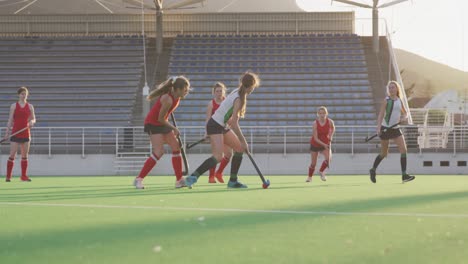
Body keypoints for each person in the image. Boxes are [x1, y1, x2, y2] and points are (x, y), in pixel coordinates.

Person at [184, 72, 260, 189]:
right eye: (253, 87)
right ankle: (193, 177)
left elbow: (228, 113)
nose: (253, 89)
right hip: (214, 125)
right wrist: (244, 140)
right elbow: (234, 123)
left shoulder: (237, 92)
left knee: (239, 149)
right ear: (251, 86)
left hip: (222, 125)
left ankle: (233, 181)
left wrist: (229, 119)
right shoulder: (239, 98)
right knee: (218, 156)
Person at [133, 76, 191, 189]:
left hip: (162, 123)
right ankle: (138, 179)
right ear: (177, 89)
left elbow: (164, 116)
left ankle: (179, 180)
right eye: (185, 89)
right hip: (153, 123)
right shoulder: (168, 99)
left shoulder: (176, 98)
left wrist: (170, 127)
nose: (187, 92)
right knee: (159, 152)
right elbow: (160, 119)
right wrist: (174, 128)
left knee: (176, 147)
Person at [369, 81, 415, 183]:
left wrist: (404, 117)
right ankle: (373, 170)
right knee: (384, 153)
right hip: (385, 128)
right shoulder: (386, 100)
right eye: (389, 88)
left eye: (393, 87)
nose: (391, 89)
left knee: (403, 150)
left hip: (396, 129)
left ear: (397, 89)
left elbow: (405, 113)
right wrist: (378, 128)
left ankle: (404, 175)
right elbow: (381, 115)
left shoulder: (400, 101)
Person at [4, 86, 36, 182]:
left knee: (24, 156)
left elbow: (34, 118)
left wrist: (32, 122)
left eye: (25, 94)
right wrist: (7, 133)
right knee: (12, 155)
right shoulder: (14, 106)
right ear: (19, 95)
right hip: (15, 133)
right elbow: (10, 120)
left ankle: (23, 176)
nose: (23, 95)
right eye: (22, 94)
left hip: (26, 133)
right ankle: (8, 176)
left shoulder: (30, 106)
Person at [205, 82, 232, 184]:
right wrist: (207, 132)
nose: (219, 93)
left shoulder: (227, 102)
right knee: (216, 154)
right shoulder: (211, 104)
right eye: (217, 91)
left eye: (221, 91)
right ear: (214, 92)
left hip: (225, 130)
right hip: (214, 131)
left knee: (229, 153)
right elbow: (208, 119)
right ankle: (211, 177)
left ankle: (219, 173)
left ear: (224, 91)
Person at [306, 106, 335, 182]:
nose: (322, 115)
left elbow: (333, 128)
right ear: (318, 114)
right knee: (313, 163)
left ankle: (321, 171)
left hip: (325, 142)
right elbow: (315, 138)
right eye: (320, 113)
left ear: (326, 113)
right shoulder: (315, 123)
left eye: (324, 113)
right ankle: (309, 177)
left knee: (329, 158)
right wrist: (324, 145)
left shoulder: (330, 122)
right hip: (315, 144)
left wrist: (331, 136)